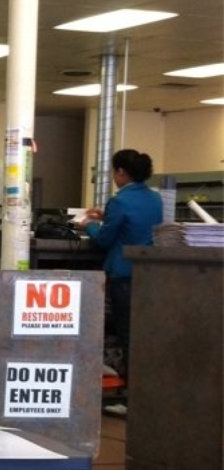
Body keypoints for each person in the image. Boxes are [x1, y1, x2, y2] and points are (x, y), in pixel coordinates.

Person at [83, 149, 163, 384]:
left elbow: (104, 240)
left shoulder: (119, 200)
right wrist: (106, 216)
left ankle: (127, 389)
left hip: (123, 274)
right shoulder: (155, 198)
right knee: (141, 332)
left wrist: (89, 225)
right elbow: (137, 226)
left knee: (124, 332)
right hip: (148, 273)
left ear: (121, 172)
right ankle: (140, 389)